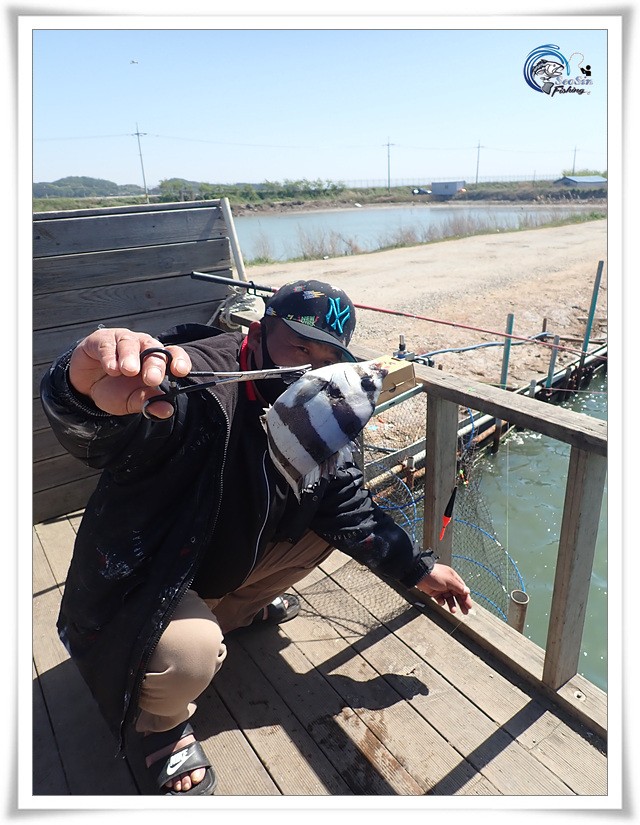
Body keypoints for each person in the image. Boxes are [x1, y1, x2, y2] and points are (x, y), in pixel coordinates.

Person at [40, 279, 472, 796]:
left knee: (325, 532)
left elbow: (346, 502)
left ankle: (236, 612)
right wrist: (77, 391)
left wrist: (419, 568)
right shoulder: (198, 381)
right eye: (299, 346)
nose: (310, 367)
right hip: (148, 573)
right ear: (260, 330)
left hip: (220, 555)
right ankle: (162, 725)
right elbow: (113, 431)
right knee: (191, 653)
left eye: (327, 356)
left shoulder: (321, 399)